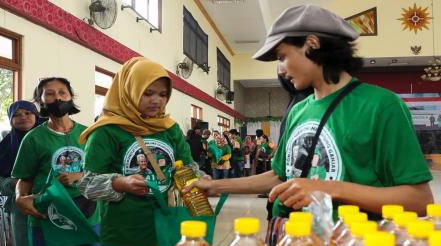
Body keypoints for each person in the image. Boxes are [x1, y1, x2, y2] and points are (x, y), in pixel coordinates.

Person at [184, 4, 433, 220]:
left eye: (282, 56)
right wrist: (215, 185)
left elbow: (418, 200)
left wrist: (328, 188)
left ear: (312, 44)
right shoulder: (298, 111)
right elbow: (281, 176)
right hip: (295, 242)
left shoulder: (381, 105)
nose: (280, 70)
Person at [77, 57, 196, 246]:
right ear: (129, 91)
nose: (157, 101)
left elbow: (187, 167)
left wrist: (194, 180)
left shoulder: (169, 128)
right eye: (148, 93)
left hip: (168, 228)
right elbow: (87, 183)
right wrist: (120, 183)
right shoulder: (106, 131)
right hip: (126, 234)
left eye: (162, 94)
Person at [12, 77, 101, 246]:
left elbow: (102, 172)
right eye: (50, 94)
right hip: (47, 215)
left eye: (62, 92)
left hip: (86, 213)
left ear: (71, 97)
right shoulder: (33, 138)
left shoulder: (89, 134)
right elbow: (24, 178)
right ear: (41, 102)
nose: (58, 97)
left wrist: (79, 175)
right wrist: (20, 198)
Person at [0, 100, 41, 246]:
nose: (23, 118)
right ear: (10, 120)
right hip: (20, 206)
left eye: (28, 113)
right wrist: (12, 184)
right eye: (16, 115)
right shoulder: (5, 146)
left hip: (53, 201)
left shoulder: (49, 138)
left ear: (36, 115)